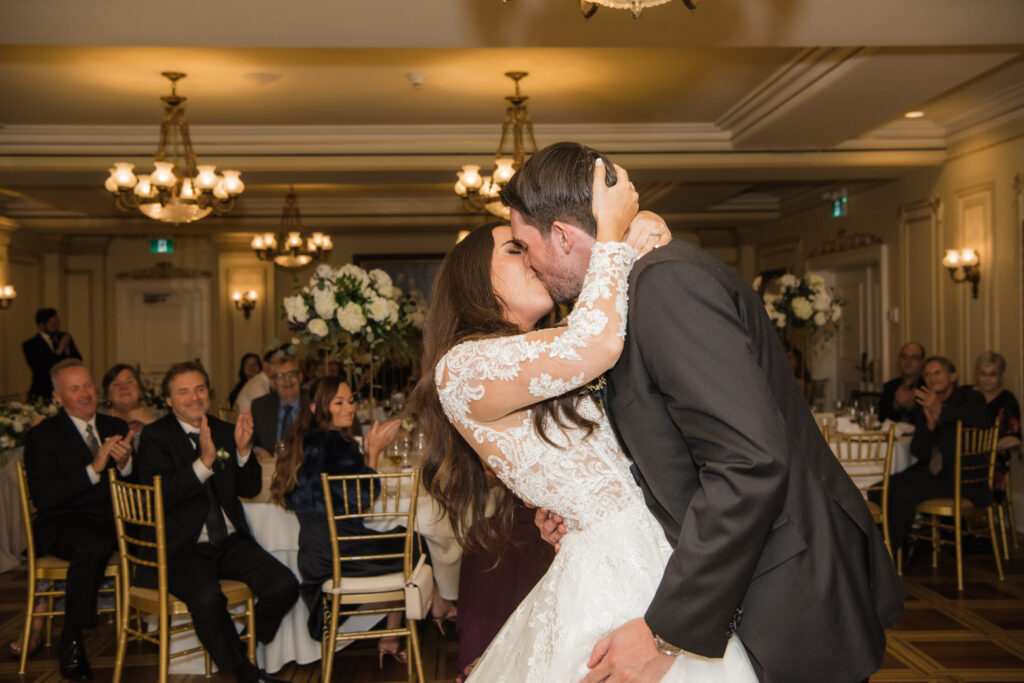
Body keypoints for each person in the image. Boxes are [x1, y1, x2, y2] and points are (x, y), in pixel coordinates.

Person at [502, 142, 904, 682]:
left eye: (525, 247)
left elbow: (749, 463)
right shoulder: (625, 294)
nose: (528, 264)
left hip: (783, 591)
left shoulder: (666, 284)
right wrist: (591, 507)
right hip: (741, 580)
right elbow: (671, 448)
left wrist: (666, 630)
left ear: (564, 236)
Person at [413, 164, 759, 681]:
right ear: (472, 279)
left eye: (529, 245)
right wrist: (614, 230)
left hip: (665, 554)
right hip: (612, 576)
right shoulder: (461, 369)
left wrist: (648, 224)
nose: (533, 257)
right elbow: (597, 342)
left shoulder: (558, 351)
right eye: (515, 248)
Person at [136, 362, 298, 683]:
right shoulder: (155, 438)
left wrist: (242, 451)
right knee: (208, 599)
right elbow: (160, 497)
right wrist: (204, 464)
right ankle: (244, 671)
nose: (194, 397)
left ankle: (240, 643)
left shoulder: (224, 429)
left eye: (199, 389)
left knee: (284, 586)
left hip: (229, 542)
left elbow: (250, 488)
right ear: (168, 400)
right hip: (184, 547)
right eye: (183, 391)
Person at [269, 377, 418, 663]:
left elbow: (295, 498)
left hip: (313, 554)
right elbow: (360, 503)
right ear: (315, 407)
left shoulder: (298, 441)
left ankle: (408, 624)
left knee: (405, 541)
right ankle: (398, 632)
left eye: (350, 401)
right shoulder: (337, 443)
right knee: (414, 543)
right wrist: (373, 453)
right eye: (339, 402)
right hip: (343, 552)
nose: (349, 408)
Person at [23, 359, 134, 680]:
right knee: (93, 546)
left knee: (158, 532)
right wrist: (93, 469)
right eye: (75, 389)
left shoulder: (114, 427)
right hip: (62, 522)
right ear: (58, 397)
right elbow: (43, 498)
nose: (86, 394)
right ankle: (71, 637)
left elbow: (134, 486)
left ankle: (158, 622)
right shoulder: (43, 435)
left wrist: (125, 465)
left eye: (87, 385)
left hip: (111, 521)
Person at [878, 356, 994, 555]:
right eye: (928, 375)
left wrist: (941, 410)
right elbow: (918, 451)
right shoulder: (923, 404)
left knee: (903, 495)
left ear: (953, 376)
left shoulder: (970, 398)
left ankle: (887, 554)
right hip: (934, 472)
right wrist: (929, 427)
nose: (932, 378)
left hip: (962, 475)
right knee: (879, 489)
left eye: (938, 372)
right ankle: (900, 544)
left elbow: (984, 420)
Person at [973, 351, 1021, 503]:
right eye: (983, 374)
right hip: (962, 456)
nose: (987, 379)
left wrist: (987, 446)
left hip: (992, 460)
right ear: (977, 374)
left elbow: (1015, 438)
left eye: (992, 374)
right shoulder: (966, 394)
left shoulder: (1007, 399)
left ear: (1001, 376)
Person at [251, 355, 305, 458]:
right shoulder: (260, 406)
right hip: (270, 467)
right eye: (280, 376)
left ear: (300, 377)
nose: (287, 379)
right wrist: (259, 451)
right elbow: (252, 440)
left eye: (291, 374)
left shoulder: (312, 402)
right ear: (272, 382)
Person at [22, 308, 82, 401]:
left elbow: (78, 360)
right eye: (53, 325)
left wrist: (67, 350)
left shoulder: (63, 337)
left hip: (66, 388)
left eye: (58, 323)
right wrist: (59, 350)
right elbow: (41, 368)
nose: (57, 327)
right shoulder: (30, 344)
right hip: (43, 390)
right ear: (42, 325)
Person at [101, 363, 158, 437]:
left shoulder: (160, 417)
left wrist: (151, 423)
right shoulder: (98, 422)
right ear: (108, 395)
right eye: (116, 384)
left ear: (140, 389)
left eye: (129, 382)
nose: (124, 387)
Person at [878, 342, 927, 423]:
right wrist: (897, 404)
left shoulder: (928, 386)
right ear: (899, 360)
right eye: (904, 357)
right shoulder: (890, 386)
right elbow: (880, 418)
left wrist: (910, 407)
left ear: (922, 361)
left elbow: (930, 422)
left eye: (914, 357)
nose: (908, 361)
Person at [235, 348, 280, 413]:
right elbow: (267, 414)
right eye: (276, 363)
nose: (281, 368)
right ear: (265, 364)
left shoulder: (261, 381)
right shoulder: (257, 384)